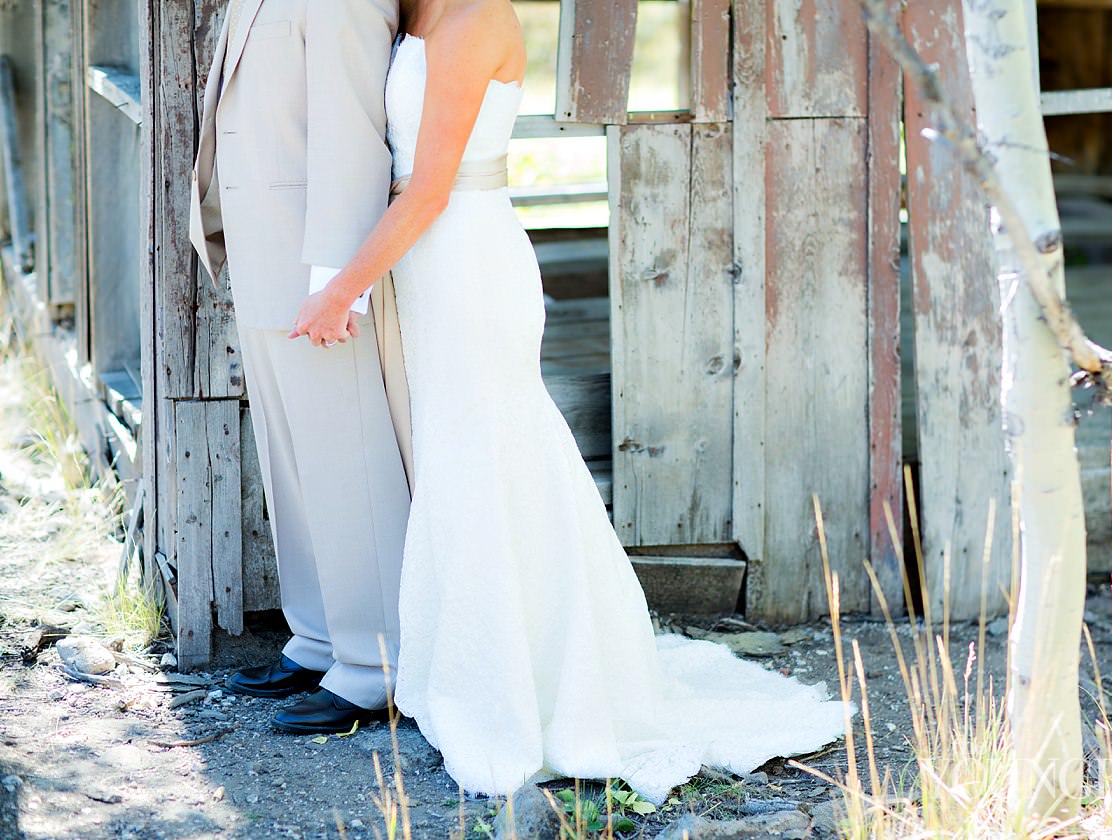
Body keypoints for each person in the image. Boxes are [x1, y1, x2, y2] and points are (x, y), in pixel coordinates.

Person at [290, 0, 851, 804]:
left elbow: (431, 190)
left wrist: (341, 288)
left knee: (494, 458)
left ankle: (527, 689)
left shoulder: (477, 20)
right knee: (459, 461)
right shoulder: (410, 17)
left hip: (468, 261)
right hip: (425, 271)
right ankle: (478, 666)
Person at [189, 0, 413, 734]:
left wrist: (335, 280)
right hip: (261, 250)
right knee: (293, 464)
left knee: (346, 463)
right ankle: (319, 637)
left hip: (317, 265)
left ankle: (378, 662)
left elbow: (353, 137)